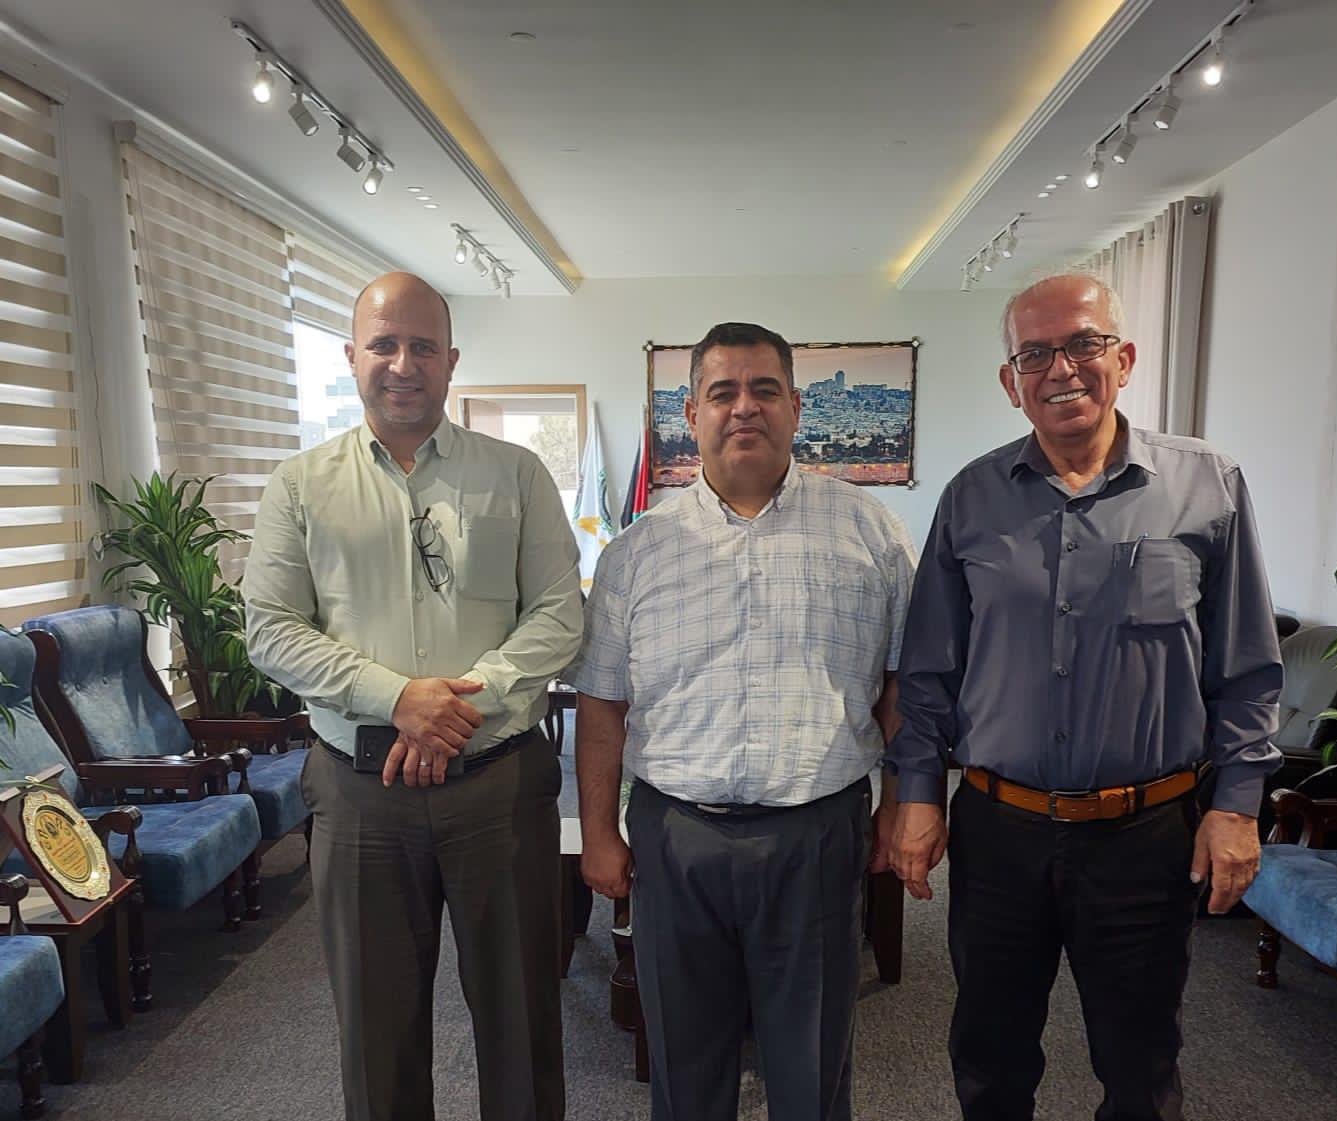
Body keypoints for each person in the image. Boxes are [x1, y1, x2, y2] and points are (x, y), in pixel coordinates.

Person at [886, 273, 1283, 1121]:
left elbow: (1248, 670)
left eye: (1082, 344)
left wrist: (1238, 805)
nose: (1061, 368)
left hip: (1145, 835)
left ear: (1124, 358)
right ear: (1011, 381)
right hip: (999, 830)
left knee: (1141, 1069)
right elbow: (927, 674)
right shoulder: (970, 498)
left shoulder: (1207, 486)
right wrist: (916, 793)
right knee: (989, 1060)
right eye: (1035, 353)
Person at [245, 271, 581, 1121]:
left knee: (523, 1025)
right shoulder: (300, 485)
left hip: (498, 787)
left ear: (452, 360)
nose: (403, 364)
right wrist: (397, 698)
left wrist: (460, 706)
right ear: (351, 356)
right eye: (384, 345)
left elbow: (558, 616)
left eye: (423, 346)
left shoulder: (517, 475)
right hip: (361, 795)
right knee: (376, 1038)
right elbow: (271, 629)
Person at [570, 321, 916, 1121]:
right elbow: (602, 703)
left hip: (816, 835)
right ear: (692, 414)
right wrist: (597, 832)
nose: (744, 408)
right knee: (685, 1073)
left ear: (796, 406)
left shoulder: (870, 532)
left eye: (764, 390)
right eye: (722, 392)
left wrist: (900, 804)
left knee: (812, 1072)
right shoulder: (636, 552)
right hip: (675, 840)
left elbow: (904, 684)